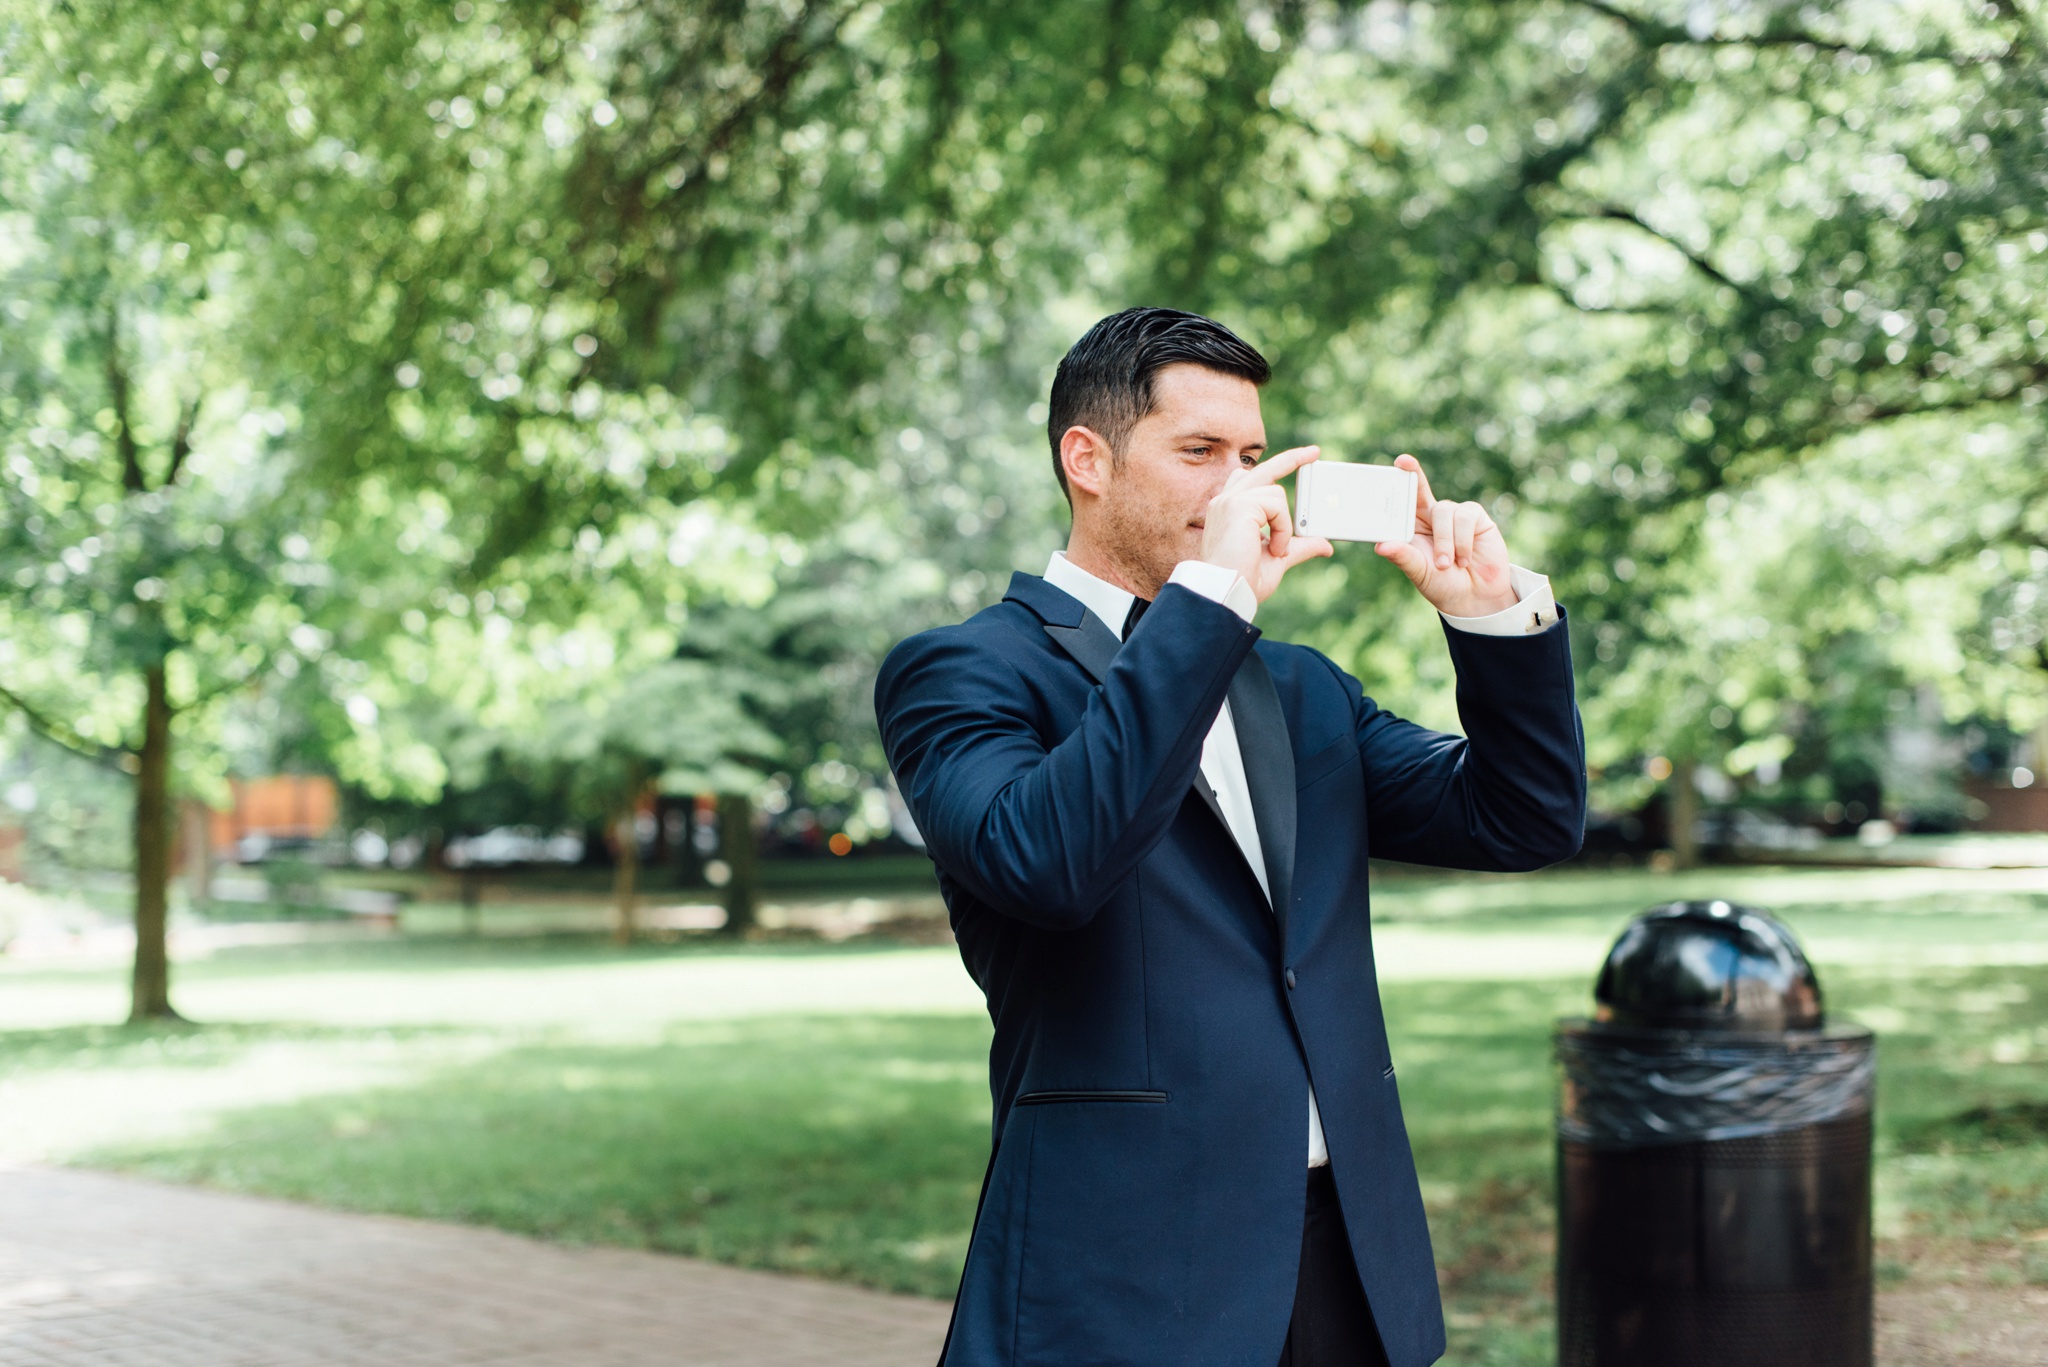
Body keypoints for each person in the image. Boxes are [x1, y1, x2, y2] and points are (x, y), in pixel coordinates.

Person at [874, 308, 1585, 1367]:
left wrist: (1489, 618)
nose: (1239, 487)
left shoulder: (1296, 687)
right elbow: (1047, 862)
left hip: (1344, 1264)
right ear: (1088, 460)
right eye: (1198, 452)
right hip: (1122, 1271)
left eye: (1252, 456)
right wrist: (1206, 604)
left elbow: (1519, 815)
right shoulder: (964, 670)